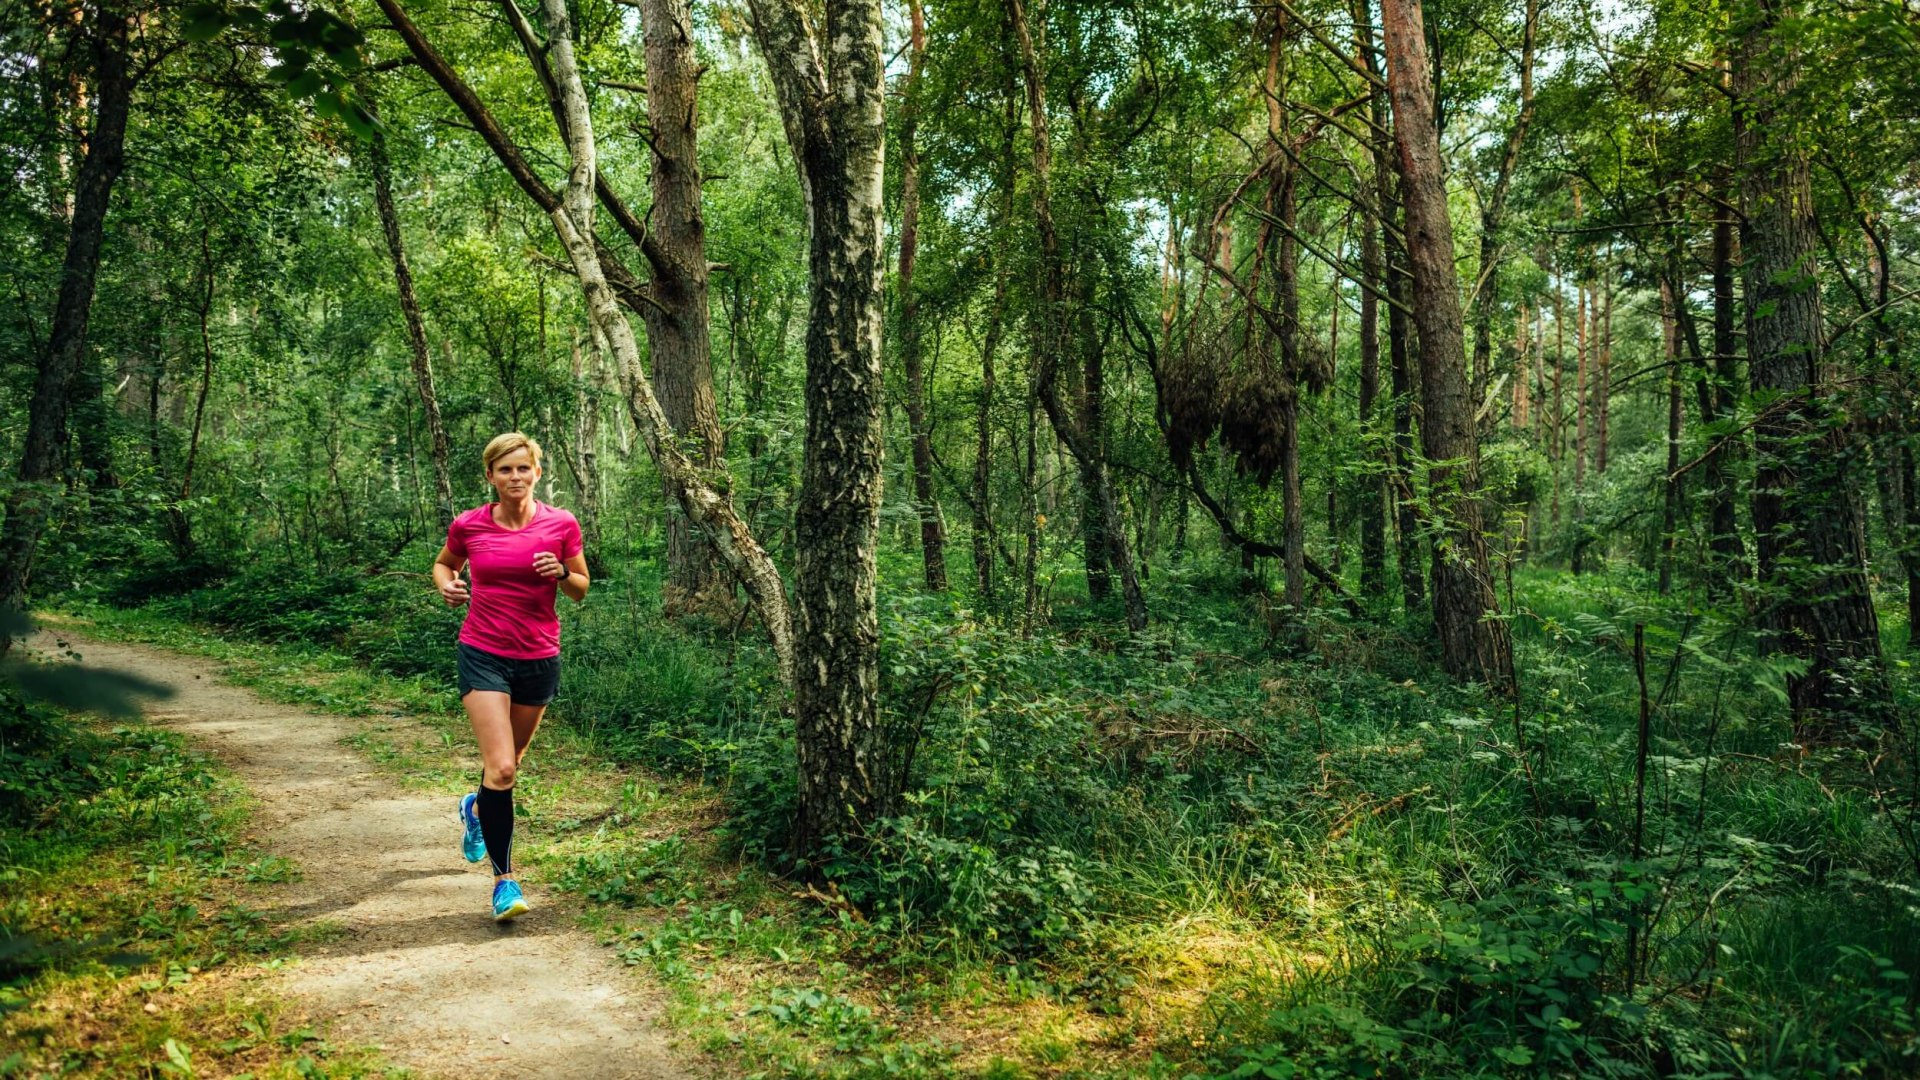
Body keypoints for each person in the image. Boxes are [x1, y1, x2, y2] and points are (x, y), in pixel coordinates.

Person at [431, 433, 588, 921]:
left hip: (539, 657)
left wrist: (561, 572)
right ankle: (504, 881)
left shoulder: (561, 524)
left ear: (537, 473)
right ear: (490, 476)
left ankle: (476, 810)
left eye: (523, 469)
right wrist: (448, 586)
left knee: (510, 764)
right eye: (505, 470)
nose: (515, 477)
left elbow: (581, 588)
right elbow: (443, 564)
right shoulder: (469, 525)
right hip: (483, 653)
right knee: (500, 769)